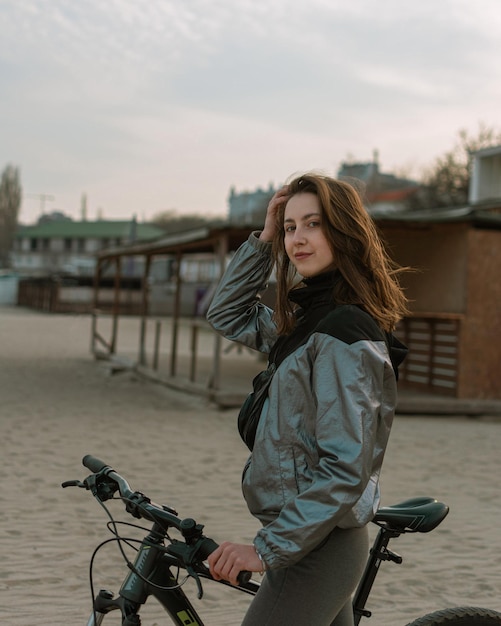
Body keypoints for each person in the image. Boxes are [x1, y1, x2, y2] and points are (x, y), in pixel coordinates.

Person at [206, 172, 409, 626]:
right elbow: (225, 313)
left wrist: (265, 550)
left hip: (321, 544)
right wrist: (265, 238)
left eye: (313, 224)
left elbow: (345, 467)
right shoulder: (306, 322)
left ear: (345, 231)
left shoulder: (344, 333)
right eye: (292, 227)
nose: (298, 238)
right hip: (305, 533)